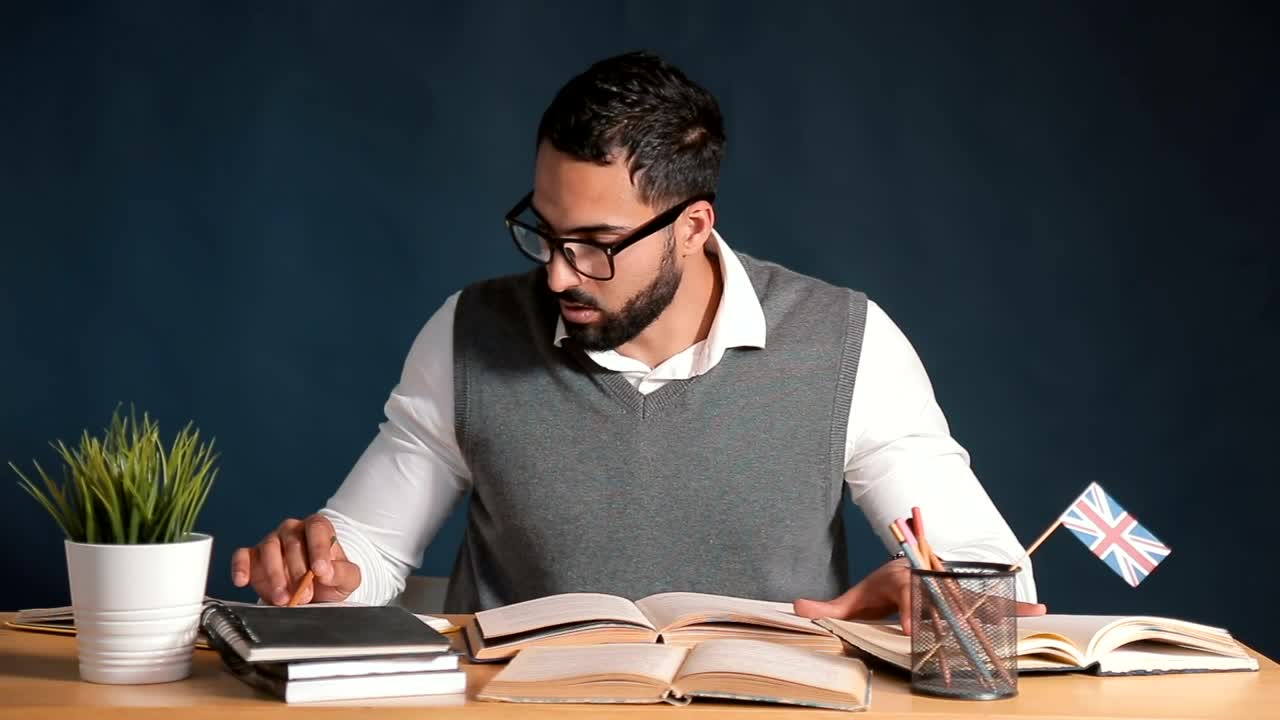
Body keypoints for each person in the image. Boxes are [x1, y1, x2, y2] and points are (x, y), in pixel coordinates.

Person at [231, 50, 1046, 631]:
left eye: (594, 243)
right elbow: (369, 551)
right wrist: (327, 572)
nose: (557, 274)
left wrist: (940, 593)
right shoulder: (468, 333)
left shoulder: (846, 342)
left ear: (692, 227)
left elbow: (989, 566)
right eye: (543, 233)